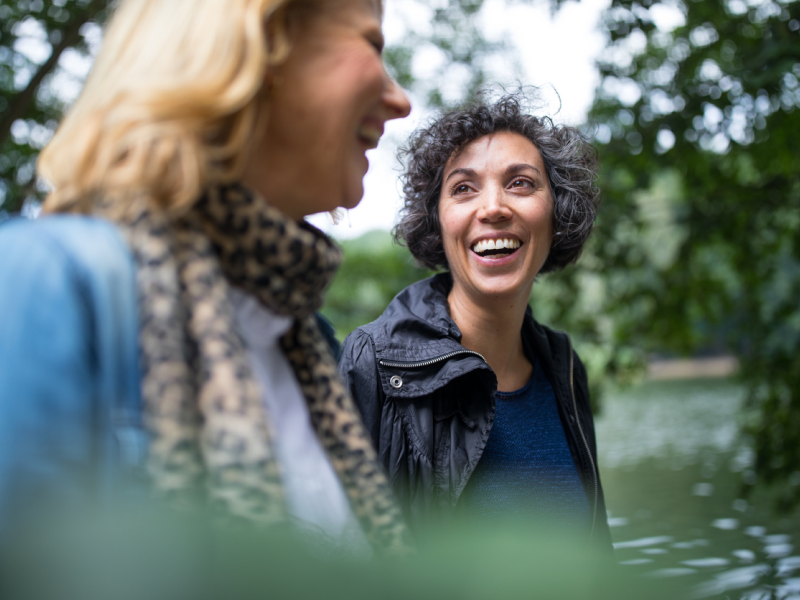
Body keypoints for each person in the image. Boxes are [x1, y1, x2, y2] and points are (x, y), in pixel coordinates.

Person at [0, 0, 412, 554]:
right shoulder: (45, 284)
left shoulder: (302, 340)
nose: (400, 100)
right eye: (372, 44)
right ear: (260, 43)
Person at [338, 93, 613, 549]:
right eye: (463, 188)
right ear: (437, 222)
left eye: (521, 183)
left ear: (557, 215)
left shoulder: (564, 367)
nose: (492, 208)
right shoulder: (374, 364)